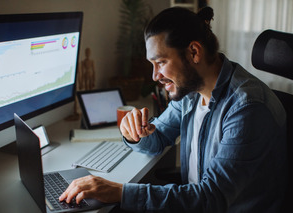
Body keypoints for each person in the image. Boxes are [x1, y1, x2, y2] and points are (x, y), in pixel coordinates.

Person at [59, 7, 287, 212]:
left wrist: (120, 191)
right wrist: (134, 134)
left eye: (160, 63)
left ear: (194, 53)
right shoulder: (191, 91)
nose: (154, 76)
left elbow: (211, 200)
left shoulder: (246, 109)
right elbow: (157, 138)